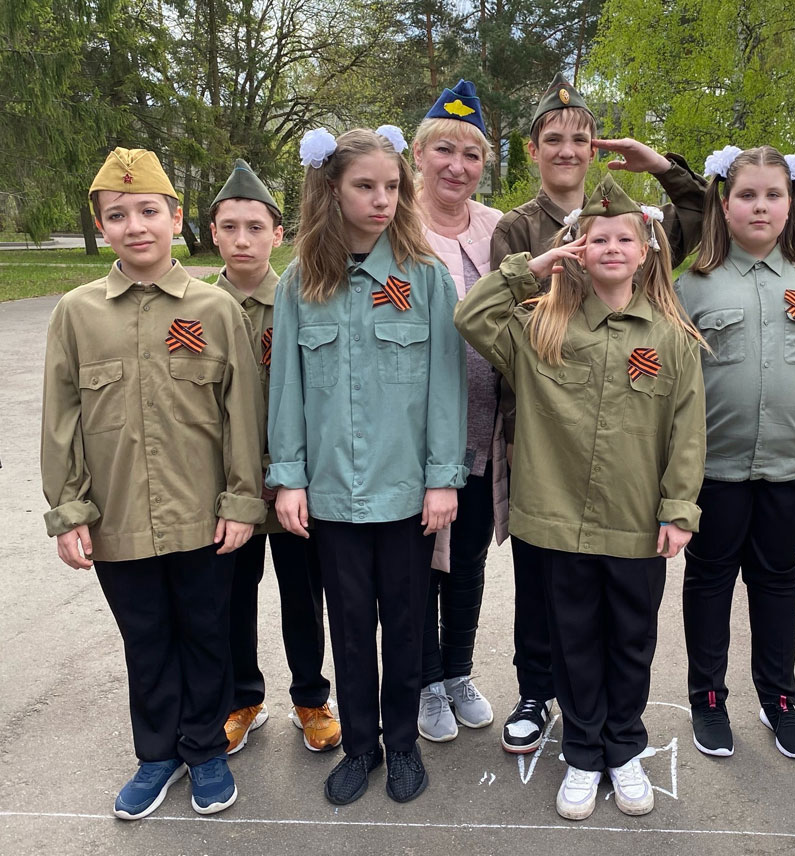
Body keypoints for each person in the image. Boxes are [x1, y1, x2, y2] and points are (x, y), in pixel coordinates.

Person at [456, 175, 706, 821]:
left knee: (630, 643)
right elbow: (471, 317)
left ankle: (623, 748)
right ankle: (584, 752)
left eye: (625, 238)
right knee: (572, 643)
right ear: (578, 250)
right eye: (597, 239)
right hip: (557, 522)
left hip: (634, 523)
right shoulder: (541, 326)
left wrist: (679, 509)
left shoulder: (671, 337)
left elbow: (687, 431)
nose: (611, 247)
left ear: (646, 251)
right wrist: (532, 267)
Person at [41, 147, 266, 818]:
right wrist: (69, 510)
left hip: (202, 516)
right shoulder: (76, 313)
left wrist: (242, 500)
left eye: (148, 211)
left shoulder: (215, 309)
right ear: (101, 226)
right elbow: (61, 419)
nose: (135, 226)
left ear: (176, 217)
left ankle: (205, 750)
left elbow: (242, 414)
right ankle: (158, 755)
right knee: (144, 639)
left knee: (206, 633)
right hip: (117, 518)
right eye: (118, 215)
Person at [489, 71, 708, 756]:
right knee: (545, 582)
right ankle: (537, 689)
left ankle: (602, 718)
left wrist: (661, 167)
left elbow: (699, 219)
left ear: (595, 149)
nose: (567, 149)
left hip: (625, 431)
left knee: (608, 605)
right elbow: (511, 316)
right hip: (544, 424)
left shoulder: (633, 220)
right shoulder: (518, 227)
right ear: (533, 149)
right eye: (553, 138)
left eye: (580, 139)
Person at [267, 126, 467, 807]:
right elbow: (287, 388)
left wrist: (442, 477)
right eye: (364, 186)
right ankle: (361, 748)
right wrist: (290, 477)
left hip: (407, 492)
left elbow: (447, 385)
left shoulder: (425, 276)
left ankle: (403, 745)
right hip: (331, 494)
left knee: (406, 624)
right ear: (331, 189)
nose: (382, 200)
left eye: (391, 186)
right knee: (350, 628)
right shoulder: (301, 281)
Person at [675, 145, 795, 761]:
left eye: (774, 195)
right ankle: (708, 699)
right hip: (714, 473)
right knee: (709, 583)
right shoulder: (692, 286)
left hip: (789, 470)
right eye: (747, 194)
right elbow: (673, 390)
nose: (760, 206)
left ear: (790, 204)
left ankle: (778, 700)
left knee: (777, 584)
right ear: (724, 204)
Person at [209, 159, 342, 757]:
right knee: (232, 595)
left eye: (256, 227)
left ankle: (311, 697)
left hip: (293, 480)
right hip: (225, 486)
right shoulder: (195, 306)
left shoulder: (302, 297)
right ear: (213, 233)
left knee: (303, 593)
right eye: (230, 227)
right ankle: (242, 698)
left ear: (278, 234)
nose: (243, 240)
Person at [410, 79, 503, 742]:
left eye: (471, 154)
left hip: (484, 431)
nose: (457, 166)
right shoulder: (393, 227)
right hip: (412, 435)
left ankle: (457, 672)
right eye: (444, 149)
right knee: (416, 566)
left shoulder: (499, 228)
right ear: (418, 154)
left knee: (466, 561)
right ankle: (422, 680)